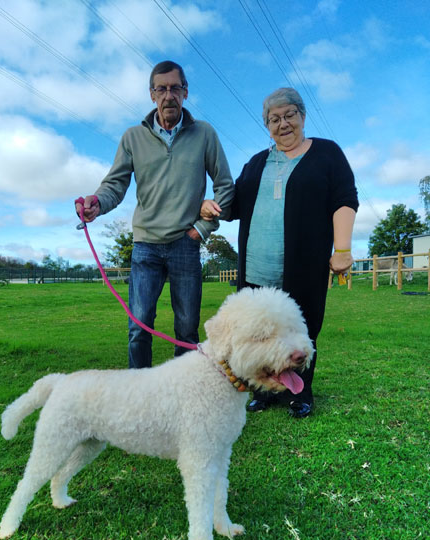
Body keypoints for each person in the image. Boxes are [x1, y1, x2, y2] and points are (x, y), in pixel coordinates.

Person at [201, 87, 358, 418]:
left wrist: (342, 248)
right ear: (267, 125)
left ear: (302, 116)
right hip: (256, 268)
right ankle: (263, 389)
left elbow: (344, 198)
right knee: (259, 336)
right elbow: (233, 204)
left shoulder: (327, 154)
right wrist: (208, 206)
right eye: (274, 119)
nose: (283, 124)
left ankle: (301, 393)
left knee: (301, 333)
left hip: (303, 266)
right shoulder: (258, 162)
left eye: (289, 115)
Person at [76, 61, 234, 368]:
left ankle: (185, 396)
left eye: (175, 88)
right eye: (161, 89)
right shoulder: (133, 137)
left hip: (185, 244)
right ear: (152, 94)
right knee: (139, 328)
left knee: (187, 331)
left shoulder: (205, 134)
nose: (168, 95)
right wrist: (97, 202)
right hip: (145, 246)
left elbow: (225, 186)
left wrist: (201, 229)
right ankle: (140, 397)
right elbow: (115, 184)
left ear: (186, 92)